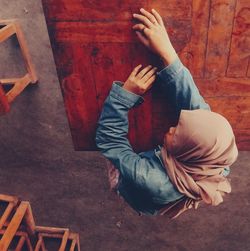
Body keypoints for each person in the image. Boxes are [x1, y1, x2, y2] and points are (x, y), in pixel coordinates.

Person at [95, 8, 239, 218]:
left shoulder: (149, 179)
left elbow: (109, 140)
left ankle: (120, 187)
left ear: (189, 152)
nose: (171, 128)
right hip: (170, 180)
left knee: (119, 169)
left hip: (135, 187)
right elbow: (196, 107)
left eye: (177, 133)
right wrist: (167, 53)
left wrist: (125, 95)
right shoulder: (219, 154)